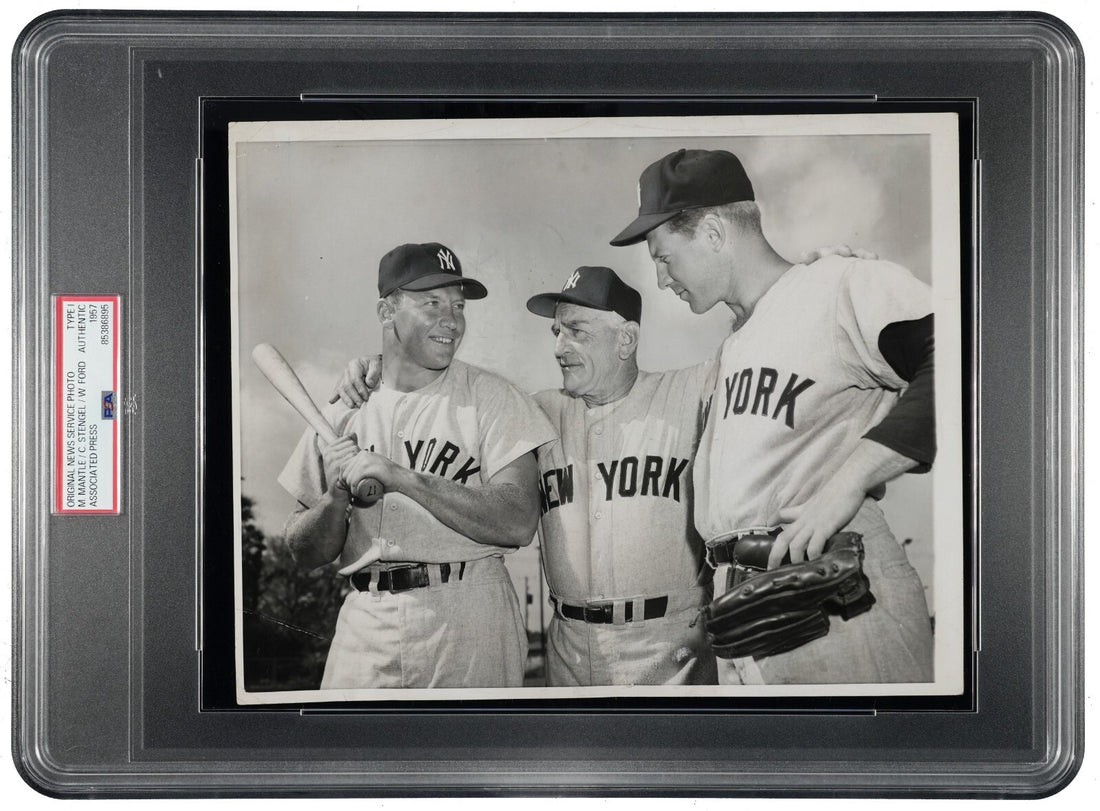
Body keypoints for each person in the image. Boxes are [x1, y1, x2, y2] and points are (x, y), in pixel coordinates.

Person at [610, 148, 936, 685]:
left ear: (714, 232)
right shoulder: (736, 342)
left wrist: (850, 482)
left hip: (835, 599)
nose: (663, 280)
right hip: (748, 614)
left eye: (664, 256)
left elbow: (969, 358)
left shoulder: (837, 283)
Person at [278, 242, 556, 690]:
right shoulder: (343, 409)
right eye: (432, 303)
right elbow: (304, 551)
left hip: (470, 612)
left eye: (458, 305)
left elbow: (518, 521)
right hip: (367, 621)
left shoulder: (494, 398)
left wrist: (402, 478)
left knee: (472, 759)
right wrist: (335, 498)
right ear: (387, 312)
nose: (452, 320)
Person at [525, 266, 716, 686]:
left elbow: (765, 351)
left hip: (671, 647)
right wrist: (379, 369)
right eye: (557, 331)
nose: (559, 346)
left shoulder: (689, 392)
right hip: (568, 651)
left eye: (577, 331)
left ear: (626, 339)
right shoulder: (538, 411)